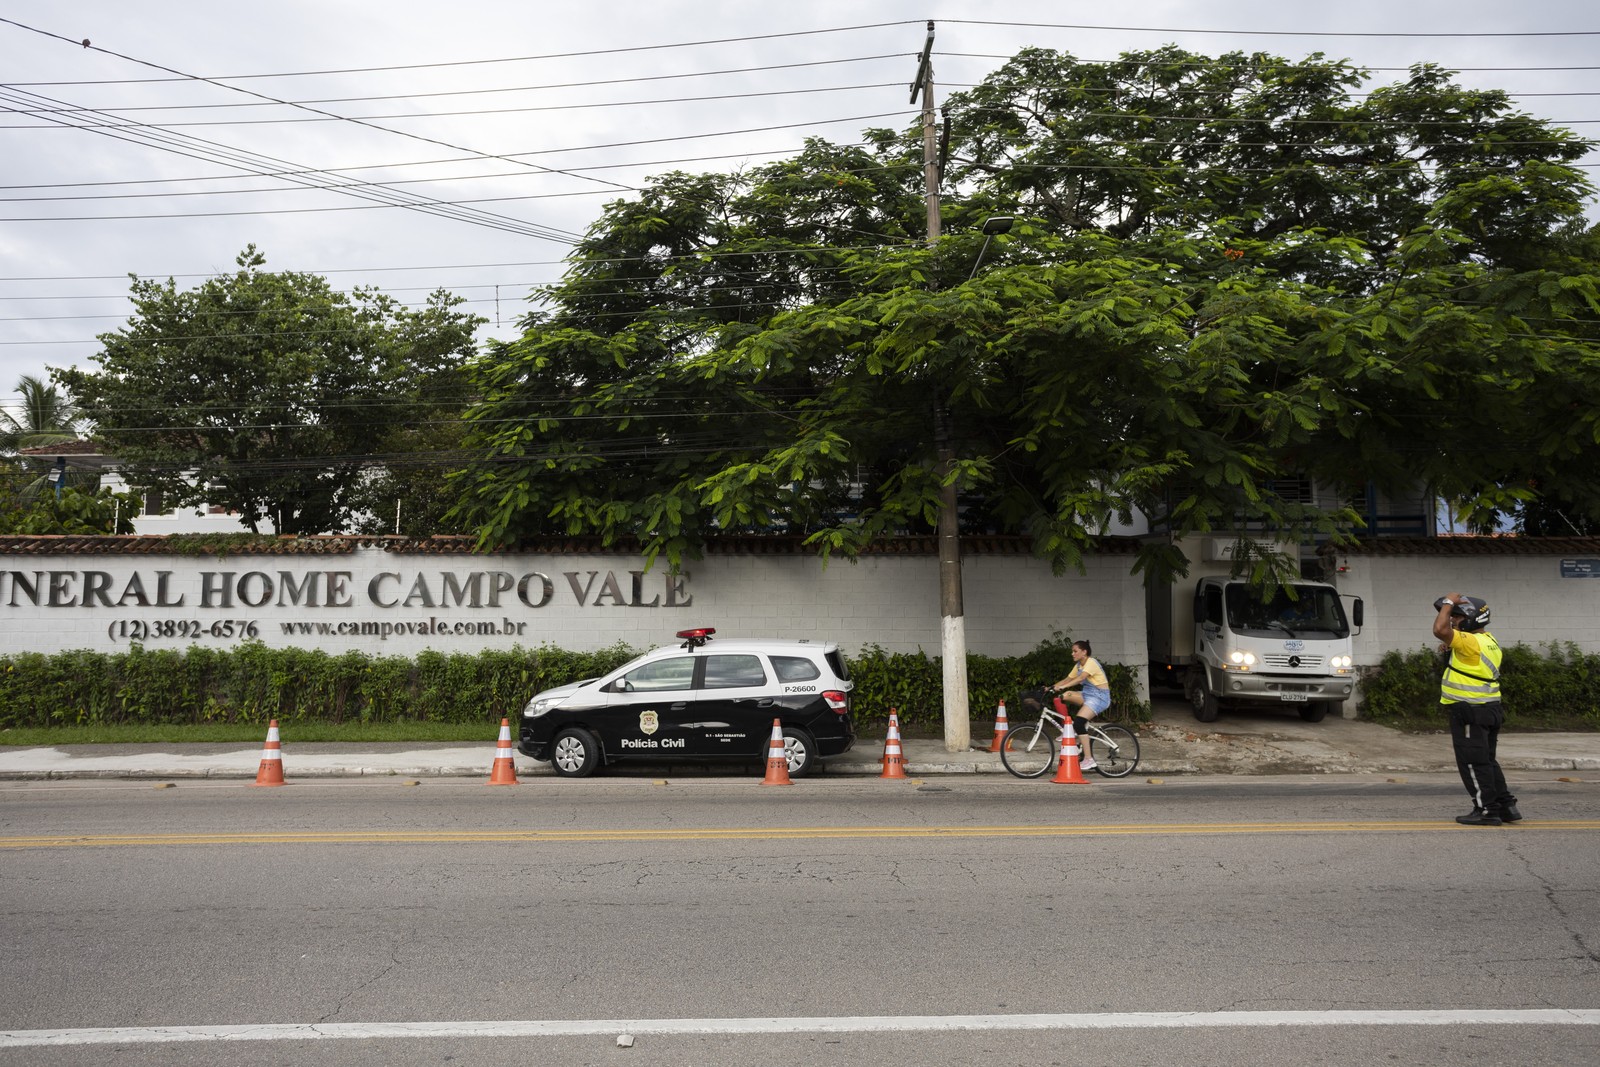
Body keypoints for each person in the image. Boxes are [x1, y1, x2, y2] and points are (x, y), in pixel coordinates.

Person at [1433, 592, 1521, 826]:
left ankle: (1486, 810)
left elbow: (1440, 629)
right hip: (1490, 709)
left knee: (1473, 761)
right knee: (1488, 760)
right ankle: (1506, 806)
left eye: (1458, 617)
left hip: (1470, 711)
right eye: (1453, 616)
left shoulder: (1470, 641)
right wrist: (1449, 651)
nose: (1452, 620)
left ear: (1472, 619)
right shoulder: (1489, 641)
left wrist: (1449, 602)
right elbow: (1469, 663)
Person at [1049, 640, 1111, 771]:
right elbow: (1068, 679)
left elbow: (1080, 678)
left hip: (1099, 697)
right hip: (1088, 694)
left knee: (1078, 723)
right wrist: (1052, 687)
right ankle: (1068, 730)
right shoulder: (1078, 665)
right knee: (1064, 696)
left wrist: (1063, 686)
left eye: (1075, 651)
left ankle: (1089, 759)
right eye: (1072, 651)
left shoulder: (1091, 663)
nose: (1072, 654)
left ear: (1084, 652)